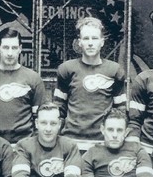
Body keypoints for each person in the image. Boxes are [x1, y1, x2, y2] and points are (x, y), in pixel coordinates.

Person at [54, 17, 127, 151]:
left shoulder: (114, 70)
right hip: (72, 141)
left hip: (103, 142)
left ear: (102, 42)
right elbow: (59, 108)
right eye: (86, 39)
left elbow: (120, 109)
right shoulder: (66, 69)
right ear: (79, 42)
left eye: (94, 38)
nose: (90, 43)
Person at [0, 28, 46, 144]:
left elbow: (41, 118)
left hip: (24, 145)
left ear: (20, 49)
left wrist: (34, 146)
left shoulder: (33, 79)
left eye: (14, 48)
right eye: (6, 47)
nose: (9, 53)